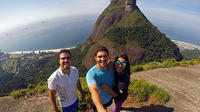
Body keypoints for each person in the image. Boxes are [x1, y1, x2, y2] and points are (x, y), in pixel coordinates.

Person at [86, 46, 115, 112]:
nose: (103, 59)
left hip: (109, 98)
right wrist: (100, 108)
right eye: (99, 57)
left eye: (105, 56)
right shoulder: (91, 73)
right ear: (95, 58)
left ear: (108, 56)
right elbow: (93, 89)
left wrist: (111, 63)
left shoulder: (111, 67)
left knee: (106, 107)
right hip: (98, 102)